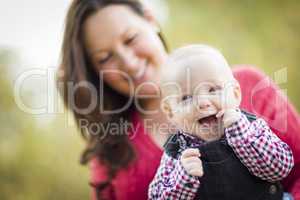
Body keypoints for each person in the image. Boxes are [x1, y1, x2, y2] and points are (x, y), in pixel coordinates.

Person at [57, 0, 300, 199]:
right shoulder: (111, 147)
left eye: (131, 39)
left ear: (150, 20)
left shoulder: (249, 84)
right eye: (104, 58)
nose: (128, 63)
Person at [148, 44, 294, 200]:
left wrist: (242, 135)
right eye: (186, 98)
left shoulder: (252, 128)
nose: (203, 102)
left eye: (213, 90)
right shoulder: (176, 154)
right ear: (171, 112)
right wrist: (181, 179)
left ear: (235, 93)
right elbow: (157, 197)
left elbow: (281, 168)